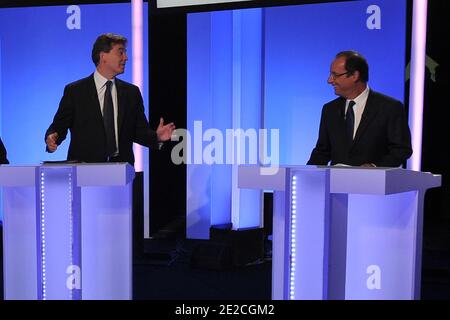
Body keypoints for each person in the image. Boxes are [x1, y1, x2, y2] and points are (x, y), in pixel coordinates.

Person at [45, 33, 175, 165]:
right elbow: (59, 126)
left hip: (121, 172)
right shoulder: (75, 91)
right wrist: (52, 138)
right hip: (84, 171)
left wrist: (157, 137)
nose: (126, 58)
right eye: (120, 52)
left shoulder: (131, 93)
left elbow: (139, 131)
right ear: (103, 56)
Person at [307, 50, 412, 167]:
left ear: (354, 76)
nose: (330, 80)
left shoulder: (389, 107)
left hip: (375, 183)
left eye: (335, 75)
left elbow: (401, 150)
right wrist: (305, 175)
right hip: (337, 183)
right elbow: (322, 152)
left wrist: (374, 167)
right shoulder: (330, 109)